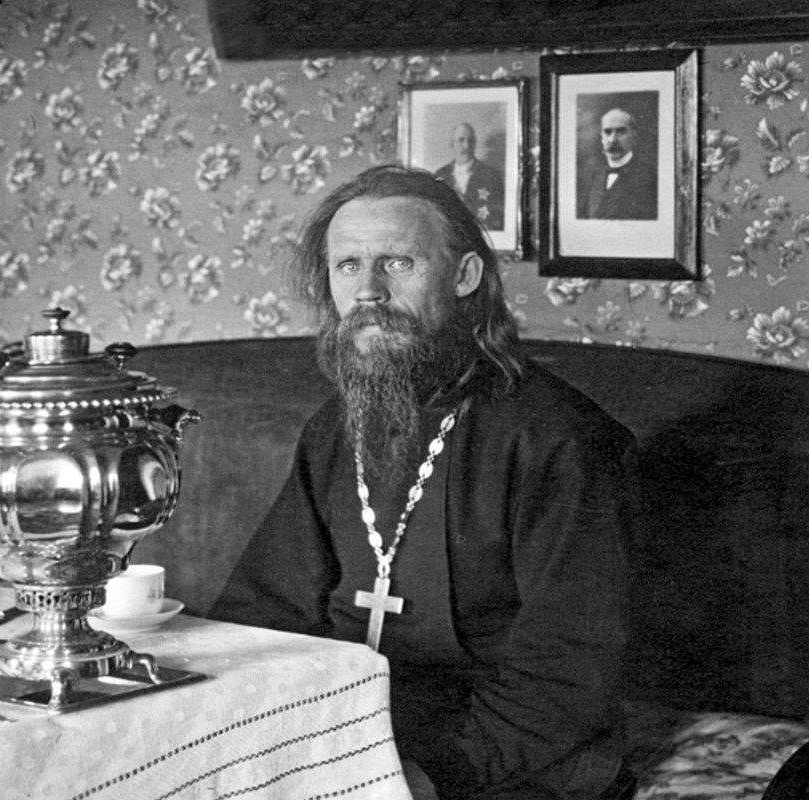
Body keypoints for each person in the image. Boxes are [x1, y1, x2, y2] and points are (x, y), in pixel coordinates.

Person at [210, 165, 637, 799]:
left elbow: (567, 667)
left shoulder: (560, 439)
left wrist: (429, 777)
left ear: (464, 277)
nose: (368, 290)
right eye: (348, 266)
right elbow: (262, 612)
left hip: (505, 754)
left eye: (398, 263)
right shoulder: (335, 428)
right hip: (350, 730)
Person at [578, 107, 657, 220]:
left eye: (621, 132)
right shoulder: (590, 176)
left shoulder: (650, 179)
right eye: (607, 132)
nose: (613, 139)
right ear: (601, 137)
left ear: (634, 136)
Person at [433, 122, 505, 230]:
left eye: (471, 140)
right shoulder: (440, 175)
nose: (467, 146)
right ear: (452, 144)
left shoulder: (491, 175)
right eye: (461, 140)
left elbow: (498, 217)